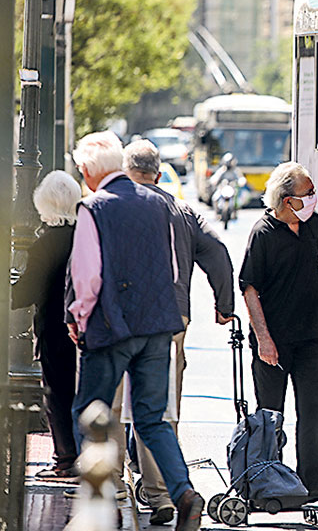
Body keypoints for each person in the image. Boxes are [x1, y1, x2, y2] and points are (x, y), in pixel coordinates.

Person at [65, 131, 205, 531]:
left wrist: (78, 319)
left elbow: (87, 278)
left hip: (111, 327)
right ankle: (183, 493)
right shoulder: (160, 204)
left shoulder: (93, 207)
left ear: (91, 170)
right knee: (152, 419)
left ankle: (102, 501)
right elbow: (173, 270)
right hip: (158, 326)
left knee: (89, 412)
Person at [123, 139, 235, 525]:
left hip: (123, 319)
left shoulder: (115, 205)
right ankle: (164, 493)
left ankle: (128, 486)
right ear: (158, 174)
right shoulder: (182, 210)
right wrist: (224, 305)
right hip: (173, 318)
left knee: (115, 404)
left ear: (127, 172)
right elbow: (218, 252)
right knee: (161, 404)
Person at [238, 162, 318, 501]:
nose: (314, 198)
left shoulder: (312, 222)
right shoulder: (263, 233)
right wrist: (264, 340)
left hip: (311, 336)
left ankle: (315, 483)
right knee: (271, 417)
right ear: (288, 200)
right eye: (308, 193)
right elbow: (249, 289)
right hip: (275, 341)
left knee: (312, 413)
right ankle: (269, 483)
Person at [11, 171, 82, 480]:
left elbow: (27, 291)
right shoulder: (84, 237)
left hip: (54, 329)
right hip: (85, 327)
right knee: (80, 392)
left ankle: (65, 459)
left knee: (56, 394)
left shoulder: (44, 244)